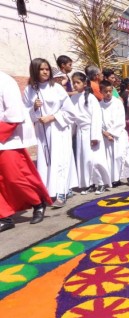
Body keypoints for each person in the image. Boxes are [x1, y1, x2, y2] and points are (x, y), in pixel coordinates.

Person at [0, 70, 51, 232]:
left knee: (16, 178)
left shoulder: (5, 81)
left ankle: (37, 202)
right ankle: (4, 216)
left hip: (7, 141)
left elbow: (14, 114)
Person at [23, 58, 78, 208]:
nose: (45, 71)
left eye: (47, 68)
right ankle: (48, 190)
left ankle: (62, 191)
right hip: (42, 131)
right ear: (35, 71)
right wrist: (34, 108)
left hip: (58, 128)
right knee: (46, 161)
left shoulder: (57, 88)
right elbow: (25, 114)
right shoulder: (30, 90)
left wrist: (52, 117)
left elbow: (70, 112)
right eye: (41, 69)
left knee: (60, 159)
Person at [71, 72, 111, 194]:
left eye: (78, 82)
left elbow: (96, 117)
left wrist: (95, 136)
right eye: (74, 83)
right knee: (84, 159)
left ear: (84, 83)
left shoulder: (91, 98)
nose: (75, 85)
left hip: (91, 131)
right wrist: (71, 134)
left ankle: (101, 183)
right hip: (80, 131)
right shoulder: (73, 98)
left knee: (95, 159)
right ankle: (89, 183)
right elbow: (72, 117)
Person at [100, 80, 129, 186]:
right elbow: (99, 120)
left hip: (118, 134)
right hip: (106, 136)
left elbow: (120, 120)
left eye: (110, 91)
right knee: (111, 158)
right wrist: (104, 132)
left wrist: (111, 133)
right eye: (105, 91)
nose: (108, 93)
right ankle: (115, 178)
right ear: (101, 92)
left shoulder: (117, 103)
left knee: (122, 156)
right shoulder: (99, 105)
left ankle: (128, 175)